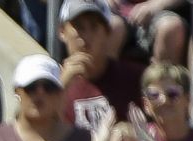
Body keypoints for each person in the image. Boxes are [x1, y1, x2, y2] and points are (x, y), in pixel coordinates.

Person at [58, 0, 143, 133]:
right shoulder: (47, 83)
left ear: (107, 33)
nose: (86, 36)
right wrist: (61, 87)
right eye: (79, 27)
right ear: (62, 32)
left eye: (94, 27)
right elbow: (31, 132)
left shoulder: (134, 78)